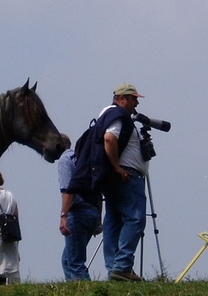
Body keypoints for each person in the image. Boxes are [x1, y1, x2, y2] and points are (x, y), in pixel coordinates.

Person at [66, 83, 149, 282]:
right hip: (126, 177)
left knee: (113, 220)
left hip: (113, 178)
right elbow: (110, 139)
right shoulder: (117, 115)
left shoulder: (109, 114)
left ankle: (115, 268)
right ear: (123, 98)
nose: (137, 102)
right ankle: (122, 266)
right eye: (134, 98)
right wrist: (118, 168)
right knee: (136, 218)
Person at [58, 134, 101, 281]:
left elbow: (68, 189)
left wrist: (64, 215)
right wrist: (99, 219)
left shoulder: (65, 160)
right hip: (92, 211)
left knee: (75, 262)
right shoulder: (84, 159)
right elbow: (97, 189)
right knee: (67, 259)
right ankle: (73, 289)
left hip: (77, 213)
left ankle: (85, 289)